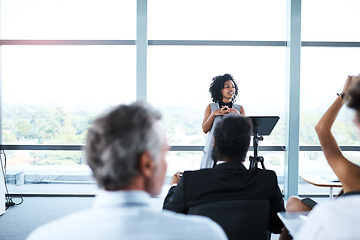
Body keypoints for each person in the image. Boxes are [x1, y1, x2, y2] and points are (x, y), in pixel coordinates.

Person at [27, 102, 227, 240]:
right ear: (147, 163)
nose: (166, 164)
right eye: (164, 153)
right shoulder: (204, 234)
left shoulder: (45, 236)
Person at [163, 115, 285, 234]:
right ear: (247, 145)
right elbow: (277, 226)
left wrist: (174, 186)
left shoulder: (191, 181)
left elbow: (167, 223)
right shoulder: (267, 180)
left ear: (214, 142)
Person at [280, 75, 360, 240]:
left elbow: (321, 128)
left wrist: (344, 94)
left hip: (336, 221)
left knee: (293, 206)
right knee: (293, 202)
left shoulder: (354, 178)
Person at [201, 73, 246, 169]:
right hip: (212, 151)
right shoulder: (211, 107)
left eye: (233, 87)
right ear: (219, 90)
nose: (231, 89)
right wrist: (214, 114)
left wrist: (237, 115)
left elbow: (245, 132)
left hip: (232, 152)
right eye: (227, 87)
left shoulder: (239, 109)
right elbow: (205, 129)